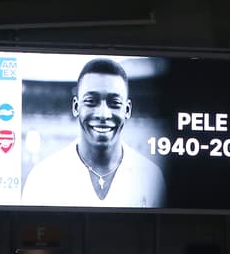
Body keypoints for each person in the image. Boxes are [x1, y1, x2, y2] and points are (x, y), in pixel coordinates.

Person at [21, 57, 166, 208]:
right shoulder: (43, 178)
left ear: (127, 110)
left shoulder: (152, 178)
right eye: (91, 101)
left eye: (114, 103)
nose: (103, 114)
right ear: (76, 107)